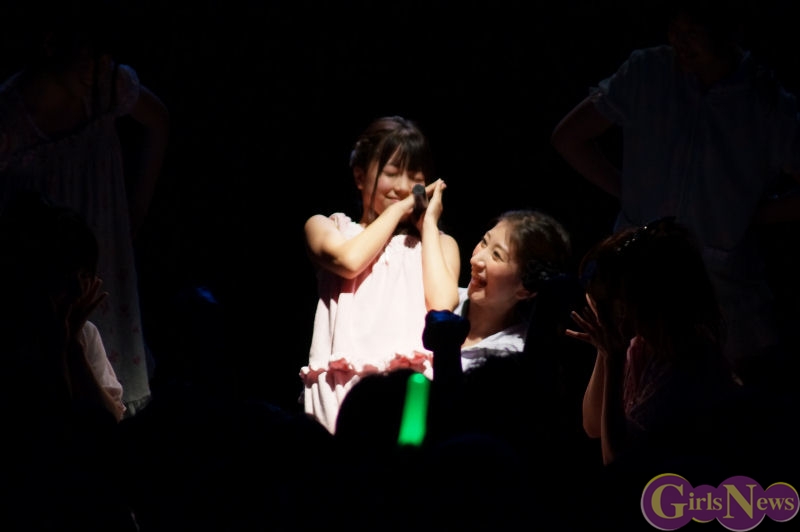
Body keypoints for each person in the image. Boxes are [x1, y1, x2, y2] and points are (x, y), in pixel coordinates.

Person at [550, 0, 800, 385]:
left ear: (731, 33)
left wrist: (756, 213)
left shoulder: (764, 101)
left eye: (694, 32)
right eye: (675, 29)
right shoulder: (649, 72)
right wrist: (627, 191)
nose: (680, 41)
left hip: (720, 287)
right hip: (638, 276)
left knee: (716, 398)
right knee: (627, 388)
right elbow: (568, 137)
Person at [0, 0, 170, 414]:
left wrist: (134, 214)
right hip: (44, 263)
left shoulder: (106, 89)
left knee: (106, 369)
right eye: (88, 55)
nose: (98, 67)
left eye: (106, 57)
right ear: (51, 45)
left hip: (101, 251)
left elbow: (159, 121)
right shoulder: (11, 112)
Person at [301, 115, 461, 434]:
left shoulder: (439, 243)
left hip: (412, 390)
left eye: (415, 177)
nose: (403, 187)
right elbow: (349, 261)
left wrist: (429, 225)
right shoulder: (330, 227)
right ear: (360, 176)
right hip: (339, 391)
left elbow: (443, 305)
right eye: (391, 173)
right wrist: (399, 210)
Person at [0, 190, 136, 530]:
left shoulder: (83, 334)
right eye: (67, 276)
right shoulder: (16, 337)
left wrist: (72, 348)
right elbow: (53, 435)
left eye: (84, 276)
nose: (77, 291)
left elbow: (110, 428)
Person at [455, 209, 573, 372]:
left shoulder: (515, 356)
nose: (475, 260)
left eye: (497, 255)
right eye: (484, 242)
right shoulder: (438, 296)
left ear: (525, 290)